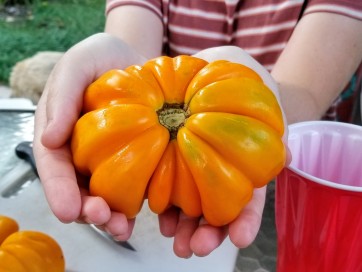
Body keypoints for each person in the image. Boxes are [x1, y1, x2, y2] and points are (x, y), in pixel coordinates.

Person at [33, 0, 362, 259]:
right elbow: (136, 69)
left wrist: (253, 108)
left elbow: (304, 96)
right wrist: (108, 58)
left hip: (308, 192)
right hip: (204, 173)